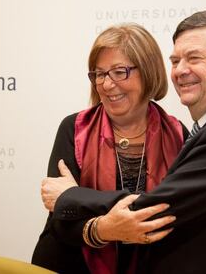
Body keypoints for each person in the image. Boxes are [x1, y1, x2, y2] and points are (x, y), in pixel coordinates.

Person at [44, 10, 206, 274]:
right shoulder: (75, 128)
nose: (180, 70)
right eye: (176, 60)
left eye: (194, 58)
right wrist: (98, 229)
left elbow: (157, 208)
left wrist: (69, 196)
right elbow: (60, 224)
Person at [31, 23, 189, 273]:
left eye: (119, 72)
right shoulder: (74, 128)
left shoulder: (179, 134)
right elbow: (61, 217)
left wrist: (75, 195)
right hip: (72, 264)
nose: (106, 84)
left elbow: (175, 214)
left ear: (148, 72)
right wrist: (105, 229)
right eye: (99, 74)